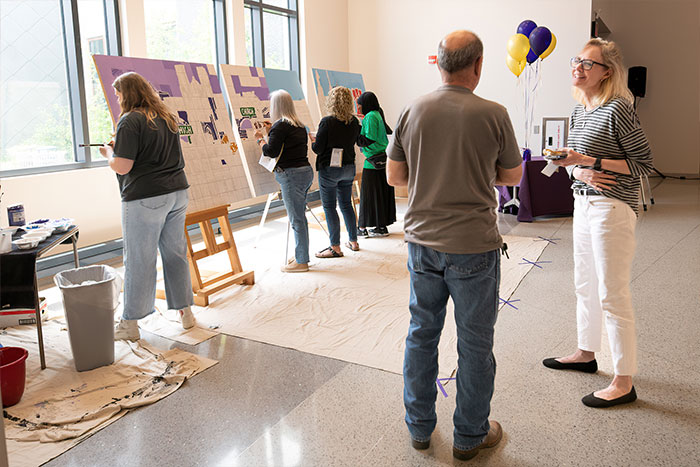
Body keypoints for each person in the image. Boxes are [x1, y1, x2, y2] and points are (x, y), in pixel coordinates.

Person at [386, 31, 522, 460]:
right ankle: (469, 436)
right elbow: (514, 177)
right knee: (475, 343)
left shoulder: (411, 109)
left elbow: (394, 176)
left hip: (422, 244)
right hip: (473, 247)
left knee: (421, 335)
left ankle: (420, 429)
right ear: (478, 65)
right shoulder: (494, 113)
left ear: (439, 64)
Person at [542, 38, 654, 408]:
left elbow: (643, 163)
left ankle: (624, 380)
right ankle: (585, 353)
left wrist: (593, 163)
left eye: (588, 64)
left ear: (607, 72)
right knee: (584, 285)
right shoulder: (580, 111)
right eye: (576, 60)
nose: (578, 67)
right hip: (584, 202)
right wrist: (581, 169)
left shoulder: (618, 108)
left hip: (612, 207)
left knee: (612, 293)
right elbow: (576, 162)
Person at [99, 72, 194, 341]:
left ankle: (130, 324)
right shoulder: (167, 117)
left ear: (127, 94)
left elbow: (123, 166)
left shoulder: (129, 120)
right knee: (175, 255)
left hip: (146, 197)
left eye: (118, 95)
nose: (117, 100)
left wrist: (108, 154)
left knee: (139, 259)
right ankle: (186, 313)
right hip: (178, 192)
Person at [254, 90, 313, 273]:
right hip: (305, 172)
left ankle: (302, 261)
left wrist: (260, 141)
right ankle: (300, 254)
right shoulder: (299, 125)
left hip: (291, 175)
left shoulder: (280, 126)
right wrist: (271, 132)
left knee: (297, 219)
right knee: (300, 216)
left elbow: (271, 151)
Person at [310, 86, 362, 257]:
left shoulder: (327, 122)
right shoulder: (354, 122)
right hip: (348, 167)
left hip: (330, 169)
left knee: (330, 207)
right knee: (347, 204)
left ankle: (335, 247)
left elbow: (318, 149)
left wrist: (313, 140)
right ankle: (353, 241)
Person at [356, 91, 396, 238]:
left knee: (367, 196)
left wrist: (355, 135)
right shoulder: (377, 114)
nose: (358, 108)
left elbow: (370, 139)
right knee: (380, 195)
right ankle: (381, 227)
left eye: (359, 105)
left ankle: (361, 228)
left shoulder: (370, 116)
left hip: (372, 162)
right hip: (383, 160)